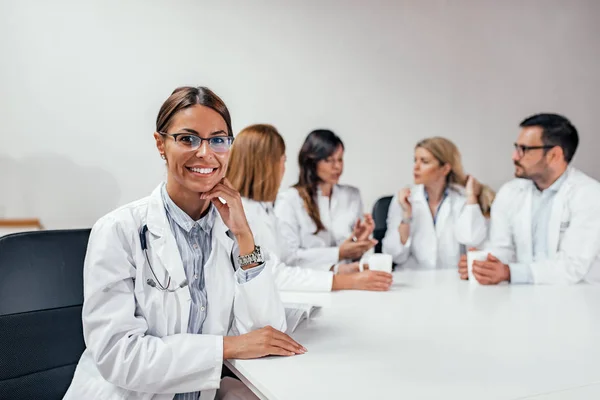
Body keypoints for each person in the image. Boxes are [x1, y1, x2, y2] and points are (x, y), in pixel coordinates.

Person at [64, 87, 305, 400]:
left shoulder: (231, 229)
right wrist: (228, 347)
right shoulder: (118, 230)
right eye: (188, 139)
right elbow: (119, 356)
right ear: (161, 144)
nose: (205, 153)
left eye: (218, 140)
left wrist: (244, 236)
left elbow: (268, 334)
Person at [227, 124, 393, 292]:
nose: (284, 168)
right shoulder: (246, 212)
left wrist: (337, 269)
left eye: (340, 159)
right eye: (283, 161)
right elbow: (272, 275)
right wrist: (345, 280)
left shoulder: (264, 208)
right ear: (266, 165)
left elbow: (289, 260)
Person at [458, 113, 600, 284]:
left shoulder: (589, 195)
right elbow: (503, 249)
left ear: (554, 155)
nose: (514, 156)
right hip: (523, 299)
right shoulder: (510, 192)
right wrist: (482, 265)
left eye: (524, 150)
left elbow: (572, 267)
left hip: (578, 299)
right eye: (516, 148)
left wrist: (509, 273)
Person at [382, 137, 493, 269]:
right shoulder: (404, 199)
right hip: (412, 281)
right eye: (415, 160)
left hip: (452, 282)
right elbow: (393, 255)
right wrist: (406, 217)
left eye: (424, 161)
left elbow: (472, 239)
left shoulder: (462, 199)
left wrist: (471, 198)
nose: (416, 167)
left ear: (445, 169)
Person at [274, 129, 377, 271]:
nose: (337, 166)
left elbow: (354, 259)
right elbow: (289, 258)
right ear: (311, 161)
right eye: (329, 160)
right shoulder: (289, 200)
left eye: (340, 159)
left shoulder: (352, 195)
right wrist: (338, 253)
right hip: (311, 286)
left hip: (350, 279)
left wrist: (358, 242)